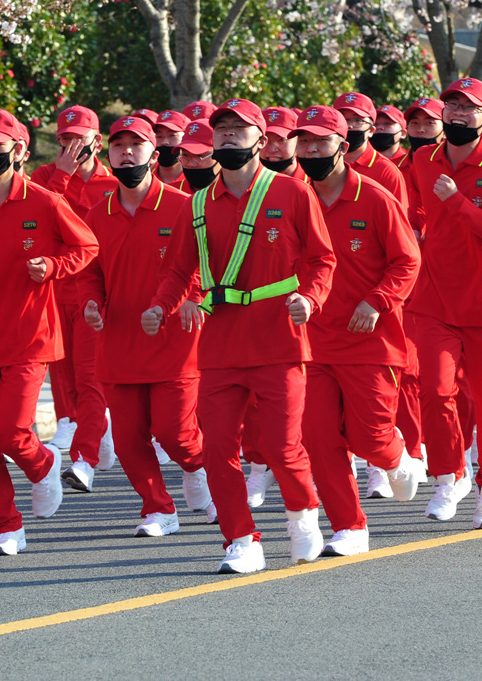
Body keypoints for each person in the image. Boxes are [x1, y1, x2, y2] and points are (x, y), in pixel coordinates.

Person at [144, 98, 336, 574]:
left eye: (239, 128)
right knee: (218, 448)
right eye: (221, 128)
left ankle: (303, 514)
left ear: (262, 138)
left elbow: (322, 260)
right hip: (220, 346)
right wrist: (159, 306)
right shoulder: (199, 201)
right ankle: (240, 539)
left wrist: (310, 300)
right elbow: (178, 270)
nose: (228, 135)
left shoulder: (292, 192)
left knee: (281, 445)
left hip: (278, 340)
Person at [0, 108, 96, 555]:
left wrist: (54, 266)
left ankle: (43, 465)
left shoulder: (44, 201)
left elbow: (87, 246)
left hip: (29, 336)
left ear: (18, 151)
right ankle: (6, 527)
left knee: (10, 432)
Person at [293, 105, 423, 554]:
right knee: (319, 436)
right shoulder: (292, 198)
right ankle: (350, 527)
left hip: (371, 338)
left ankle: (396, 457)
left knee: (370, 436)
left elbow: (408, 260)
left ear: (343, 147)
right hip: (311, 341)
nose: (311, 150)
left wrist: (376, 302)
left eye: (320, 142)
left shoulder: (373, 197)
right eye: (304, 142)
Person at [81, 115, 213, 537]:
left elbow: (202, 267)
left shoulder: (183, 207)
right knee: (128, 439)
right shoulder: (97, 213)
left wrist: (189, 300)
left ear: (154, 155)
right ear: (109, 155)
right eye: (118, 147)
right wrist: (90, 302)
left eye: (135, 146)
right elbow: (89, 271)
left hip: (173, 339)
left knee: (175, 433)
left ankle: (198, 466)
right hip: (118, 339)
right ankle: (158, 508)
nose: (126, 153)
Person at [405, 77, 482, 526]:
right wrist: (417, 233)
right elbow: (415, 208)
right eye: (450, 104)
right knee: (435, 391)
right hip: (435, 298)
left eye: (468, 107)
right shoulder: (422, 158)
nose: (456, 112)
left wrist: (456, 202)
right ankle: (450, 475)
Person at [31, 105, 119, 475]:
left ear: (95, 143)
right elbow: (35, 224)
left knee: (89, 375)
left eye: (77, 139)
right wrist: (61, 178)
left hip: (92, 292)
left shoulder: (113, 184)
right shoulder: (44, 177)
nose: (69, 146)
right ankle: (97, 429)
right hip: (51, 290)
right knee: (63, 378)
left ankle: (84, 459)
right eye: (64, 139)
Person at [335, 92, 410, 209]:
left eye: (358, 120)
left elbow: (398, 224)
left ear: (371, 130)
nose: (350, 125)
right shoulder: (319, 166)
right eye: (344, 119)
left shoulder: (387, 172)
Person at [178, 121, 220, 193]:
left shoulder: (238, 193)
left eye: (199, 156)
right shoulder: (169, 193)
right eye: (185, 155)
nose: (191, 164)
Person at [260, 107, 300, 176]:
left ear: (298, 142)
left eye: (281, 140)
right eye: (265, 139)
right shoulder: (243, 181)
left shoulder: (316, 182)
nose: (272, 149)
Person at [154, 110, 187, 187]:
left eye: (172, 135)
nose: (165, 142)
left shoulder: (197, 179)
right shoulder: (145, 178)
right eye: (159, 136)